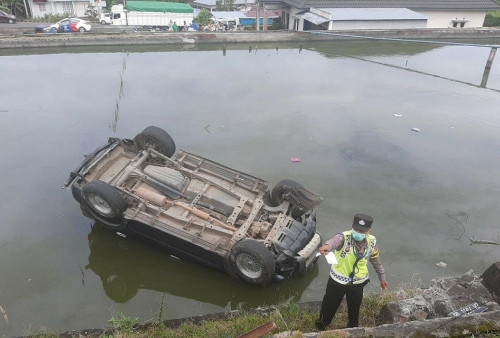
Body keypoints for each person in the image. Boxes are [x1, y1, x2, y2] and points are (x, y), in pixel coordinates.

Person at [315, 214, 388, 331]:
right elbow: (333, 242)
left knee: (354, 308)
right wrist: (327, 246)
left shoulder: (372, 242)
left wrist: (382, 278)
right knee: (329, 306)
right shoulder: (343, 237)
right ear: (352, 227)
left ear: (369, 231)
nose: (358, 232)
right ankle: (321, 326)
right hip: (337, 281)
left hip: (358, 283)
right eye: (356, 229)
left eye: (362, 231)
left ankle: (353, 329)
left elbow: (376, 262)